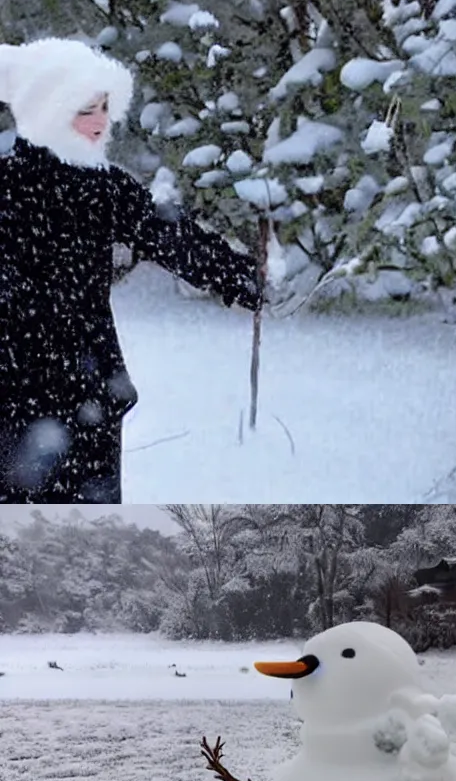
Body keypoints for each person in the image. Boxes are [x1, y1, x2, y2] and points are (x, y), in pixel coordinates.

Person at [0, 38, 262, 503]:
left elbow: (169, 235)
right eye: (85, 109)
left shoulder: (105, 187)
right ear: (47, 110)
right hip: (13, 391)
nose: (101, 122)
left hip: (90, 392)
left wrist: (233, 273)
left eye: (104, 106)